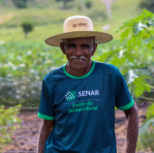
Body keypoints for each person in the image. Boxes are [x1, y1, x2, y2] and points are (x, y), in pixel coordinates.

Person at [37, 15, 139, 153]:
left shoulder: (109, 75)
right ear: (63, 48)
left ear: (93, 49)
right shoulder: (52, 81)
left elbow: (131, 111)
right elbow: (47, 126)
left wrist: (130, 151)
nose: (78, 52)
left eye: (84, 46)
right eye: (72, 46)